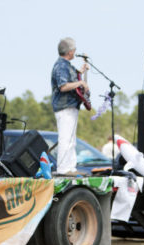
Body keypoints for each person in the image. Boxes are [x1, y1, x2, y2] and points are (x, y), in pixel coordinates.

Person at [51, 37, 89, 175]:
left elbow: (73, 77)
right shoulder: (61, 66)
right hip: (64, 107)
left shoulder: (66, 65)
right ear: (70, 52)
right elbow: (63, 86)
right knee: (65, 138)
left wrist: (82, 71)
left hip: (70, 106)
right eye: (74, 50)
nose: (75, 52)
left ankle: (70, 167)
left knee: (71, 140)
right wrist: (81, 83)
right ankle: (63, 168)